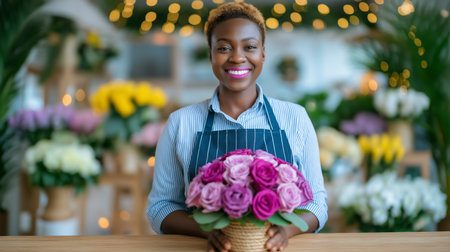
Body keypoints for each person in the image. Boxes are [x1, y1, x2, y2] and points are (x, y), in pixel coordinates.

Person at [147, 2, 327, 251]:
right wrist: (206, 231)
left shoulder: (295, 118)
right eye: (223, 47)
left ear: (263, 53)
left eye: (250, 47)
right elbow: (161, 208)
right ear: (210, 54)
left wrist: (287, 230)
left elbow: (318, 203)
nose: (238, 57)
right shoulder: (181, 122)